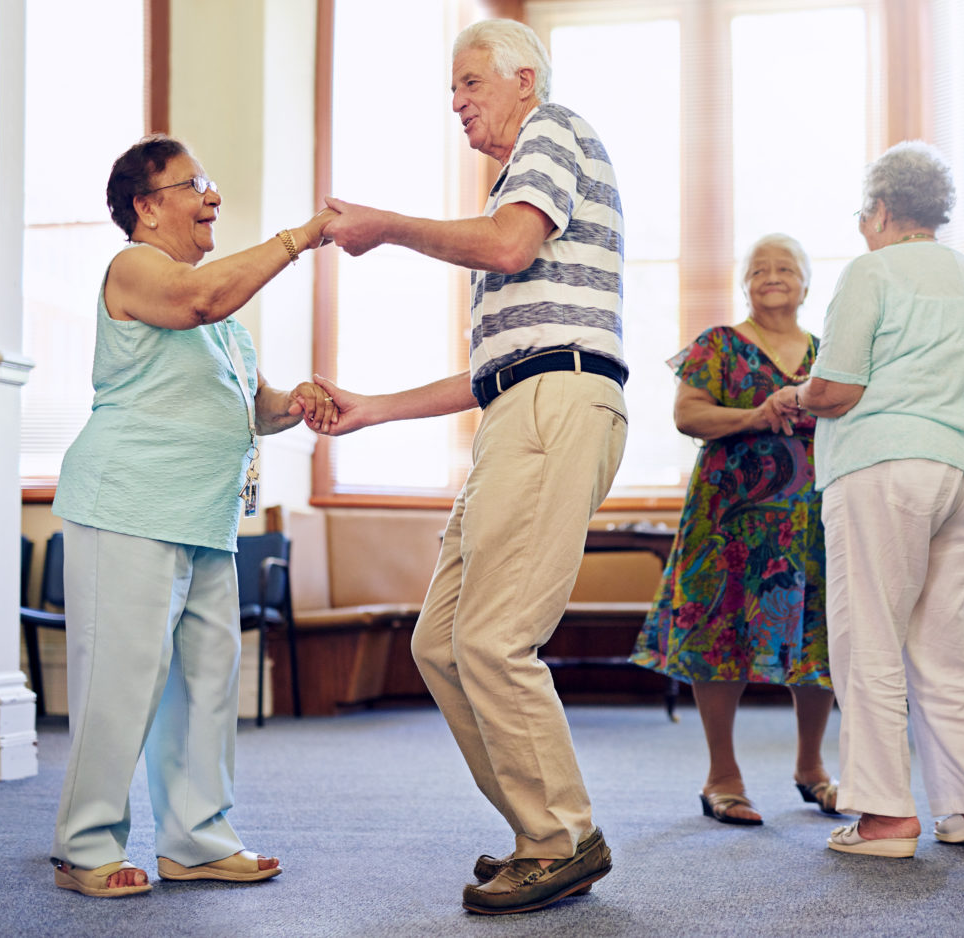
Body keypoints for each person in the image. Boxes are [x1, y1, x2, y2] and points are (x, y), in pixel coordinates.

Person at [317, 19, 626, 916]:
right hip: (521, 407)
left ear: (525, 79)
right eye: (453, 90)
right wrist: (373, 408)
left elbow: (505, 245)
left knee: (492, 639)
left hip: (556, 407)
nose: (456, 103)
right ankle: (543, 834)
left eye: (468, 84)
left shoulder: (553, 132)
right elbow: (494, 368)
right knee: (439, 640)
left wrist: (387, 227)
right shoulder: (516, 187)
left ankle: (562, 836)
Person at [49, 133, 337, 897]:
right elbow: (201, 295)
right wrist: (302, 236)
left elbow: (252, 408)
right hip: (128, 505)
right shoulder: (137, 268)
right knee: (125, 680)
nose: (213, 198)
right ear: (146, 207)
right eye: (195, 184)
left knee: (210, 682)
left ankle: (198, 840)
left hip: (204, 519)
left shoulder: (225, 325)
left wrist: (294, 407)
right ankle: (87, 848)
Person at [776, 141, 964, 858]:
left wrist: (796, 395)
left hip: (889, 467)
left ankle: (883, 817)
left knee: (868, 640)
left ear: (881, 210)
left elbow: (839, 388)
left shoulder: (871, 271)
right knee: (942, 644)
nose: (862, 229)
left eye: (863, 216)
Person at [630, 234, 839, 826]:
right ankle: (722, 775)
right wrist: (756, 415)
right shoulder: (718, 345)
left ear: (806, 281)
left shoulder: (830, 352)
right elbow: (687, 414)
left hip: (809, 520)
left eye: (786, 267)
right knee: (718, 634)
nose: (773, 277)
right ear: (743, 282)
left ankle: (813, 768)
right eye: (759, 268)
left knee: (814, 636)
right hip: (726, 520)